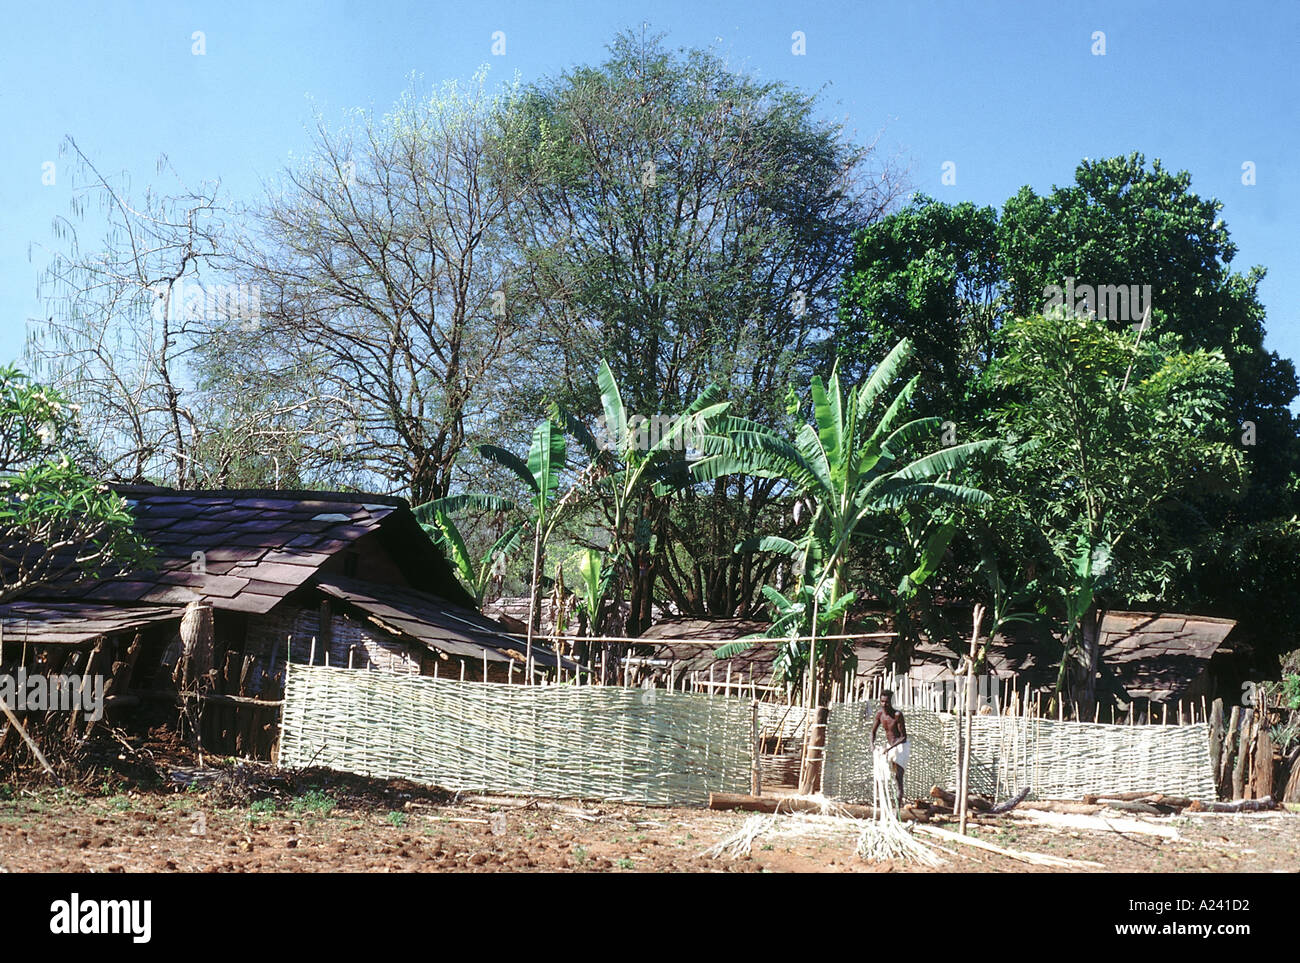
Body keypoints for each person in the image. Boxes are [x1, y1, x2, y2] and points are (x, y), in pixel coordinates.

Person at [870, 689, 909, 802]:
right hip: (889, 747)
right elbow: (873, 732)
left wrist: (889, 748)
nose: (884, 704)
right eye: (882, 702)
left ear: (891, 702)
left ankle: (898, 806)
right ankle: (885, 802)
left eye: (886, 702)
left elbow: (903, 737)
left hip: (901, 746)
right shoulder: (880, 714)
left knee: (898, 777)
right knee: (883, 774)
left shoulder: (897, 715)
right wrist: (872, 744)